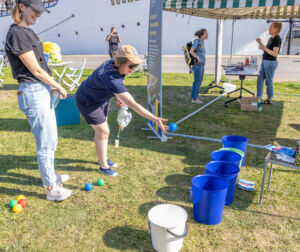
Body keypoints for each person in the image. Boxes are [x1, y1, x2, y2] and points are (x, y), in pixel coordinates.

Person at [5, 0, 73, 201]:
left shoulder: (27, 32)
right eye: (35, 10)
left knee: (51, 139)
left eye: (40, 11)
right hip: (33, 91)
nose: (38, 14)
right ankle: (51, 188)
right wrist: (58, 85)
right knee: (45, 141)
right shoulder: (16, 33)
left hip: (41, 90)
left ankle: (50, 175)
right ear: (22, 7)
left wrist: (51, 85)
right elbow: (34, 70)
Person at [75, 45, 168, 177]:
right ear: (121, 62)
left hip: (99, 98)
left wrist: (116, 95)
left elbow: (103, 83)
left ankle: (102, 157)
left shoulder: (113, 64)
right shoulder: (112, 78)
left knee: (102, 130)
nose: (132, 70)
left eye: (135, 66)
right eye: (131, 66)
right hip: (87, 100)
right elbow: (133, 104)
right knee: (103, 131)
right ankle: (103, 166)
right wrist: (155, 119)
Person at [256, 22, 282, 104]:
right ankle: (259, 97)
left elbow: (274, 53)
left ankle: (269, 98)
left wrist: (263, 47)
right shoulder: (271, 38)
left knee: (268, 81)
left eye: (271, 28)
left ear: (276, 29)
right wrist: (260, 43)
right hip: (265, 61)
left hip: (270, 62)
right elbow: (267, 50)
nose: (269, 29)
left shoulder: (277, 39)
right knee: (260, 79)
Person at [189, 29, 208, 104]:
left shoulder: (202, 42)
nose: (207, 35)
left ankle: (196, 96)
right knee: (196, 81)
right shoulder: (197, 41)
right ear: (201, 35)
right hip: (197, 65)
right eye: (206, 34)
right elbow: (191, 51)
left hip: (201, 65)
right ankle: (194, 99)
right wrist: (198, 58)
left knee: (199, 81)